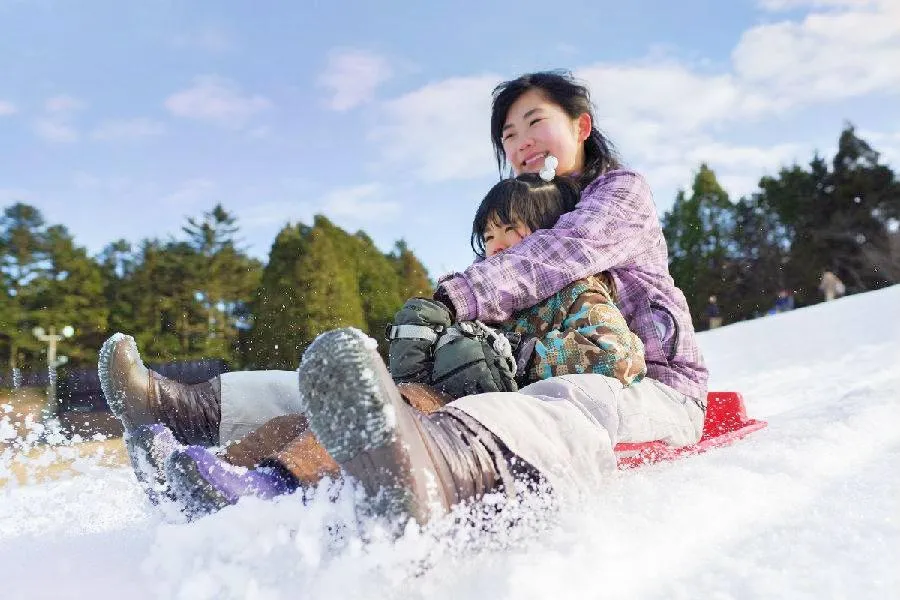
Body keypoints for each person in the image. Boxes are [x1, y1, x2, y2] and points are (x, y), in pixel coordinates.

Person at [100, 70, 708, 529]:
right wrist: (435, 342)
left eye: (534, 122)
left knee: (561, 397)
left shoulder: (617, 196)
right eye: (508, 133)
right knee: (370, 392)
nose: (521, 141)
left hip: (643, 387)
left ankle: (430, 466)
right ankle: (189, 418)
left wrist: (461, 303)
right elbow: (501, 283)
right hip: (527, 382)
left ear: (581, 125)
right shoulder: (517, 222)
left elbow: (562, 256)